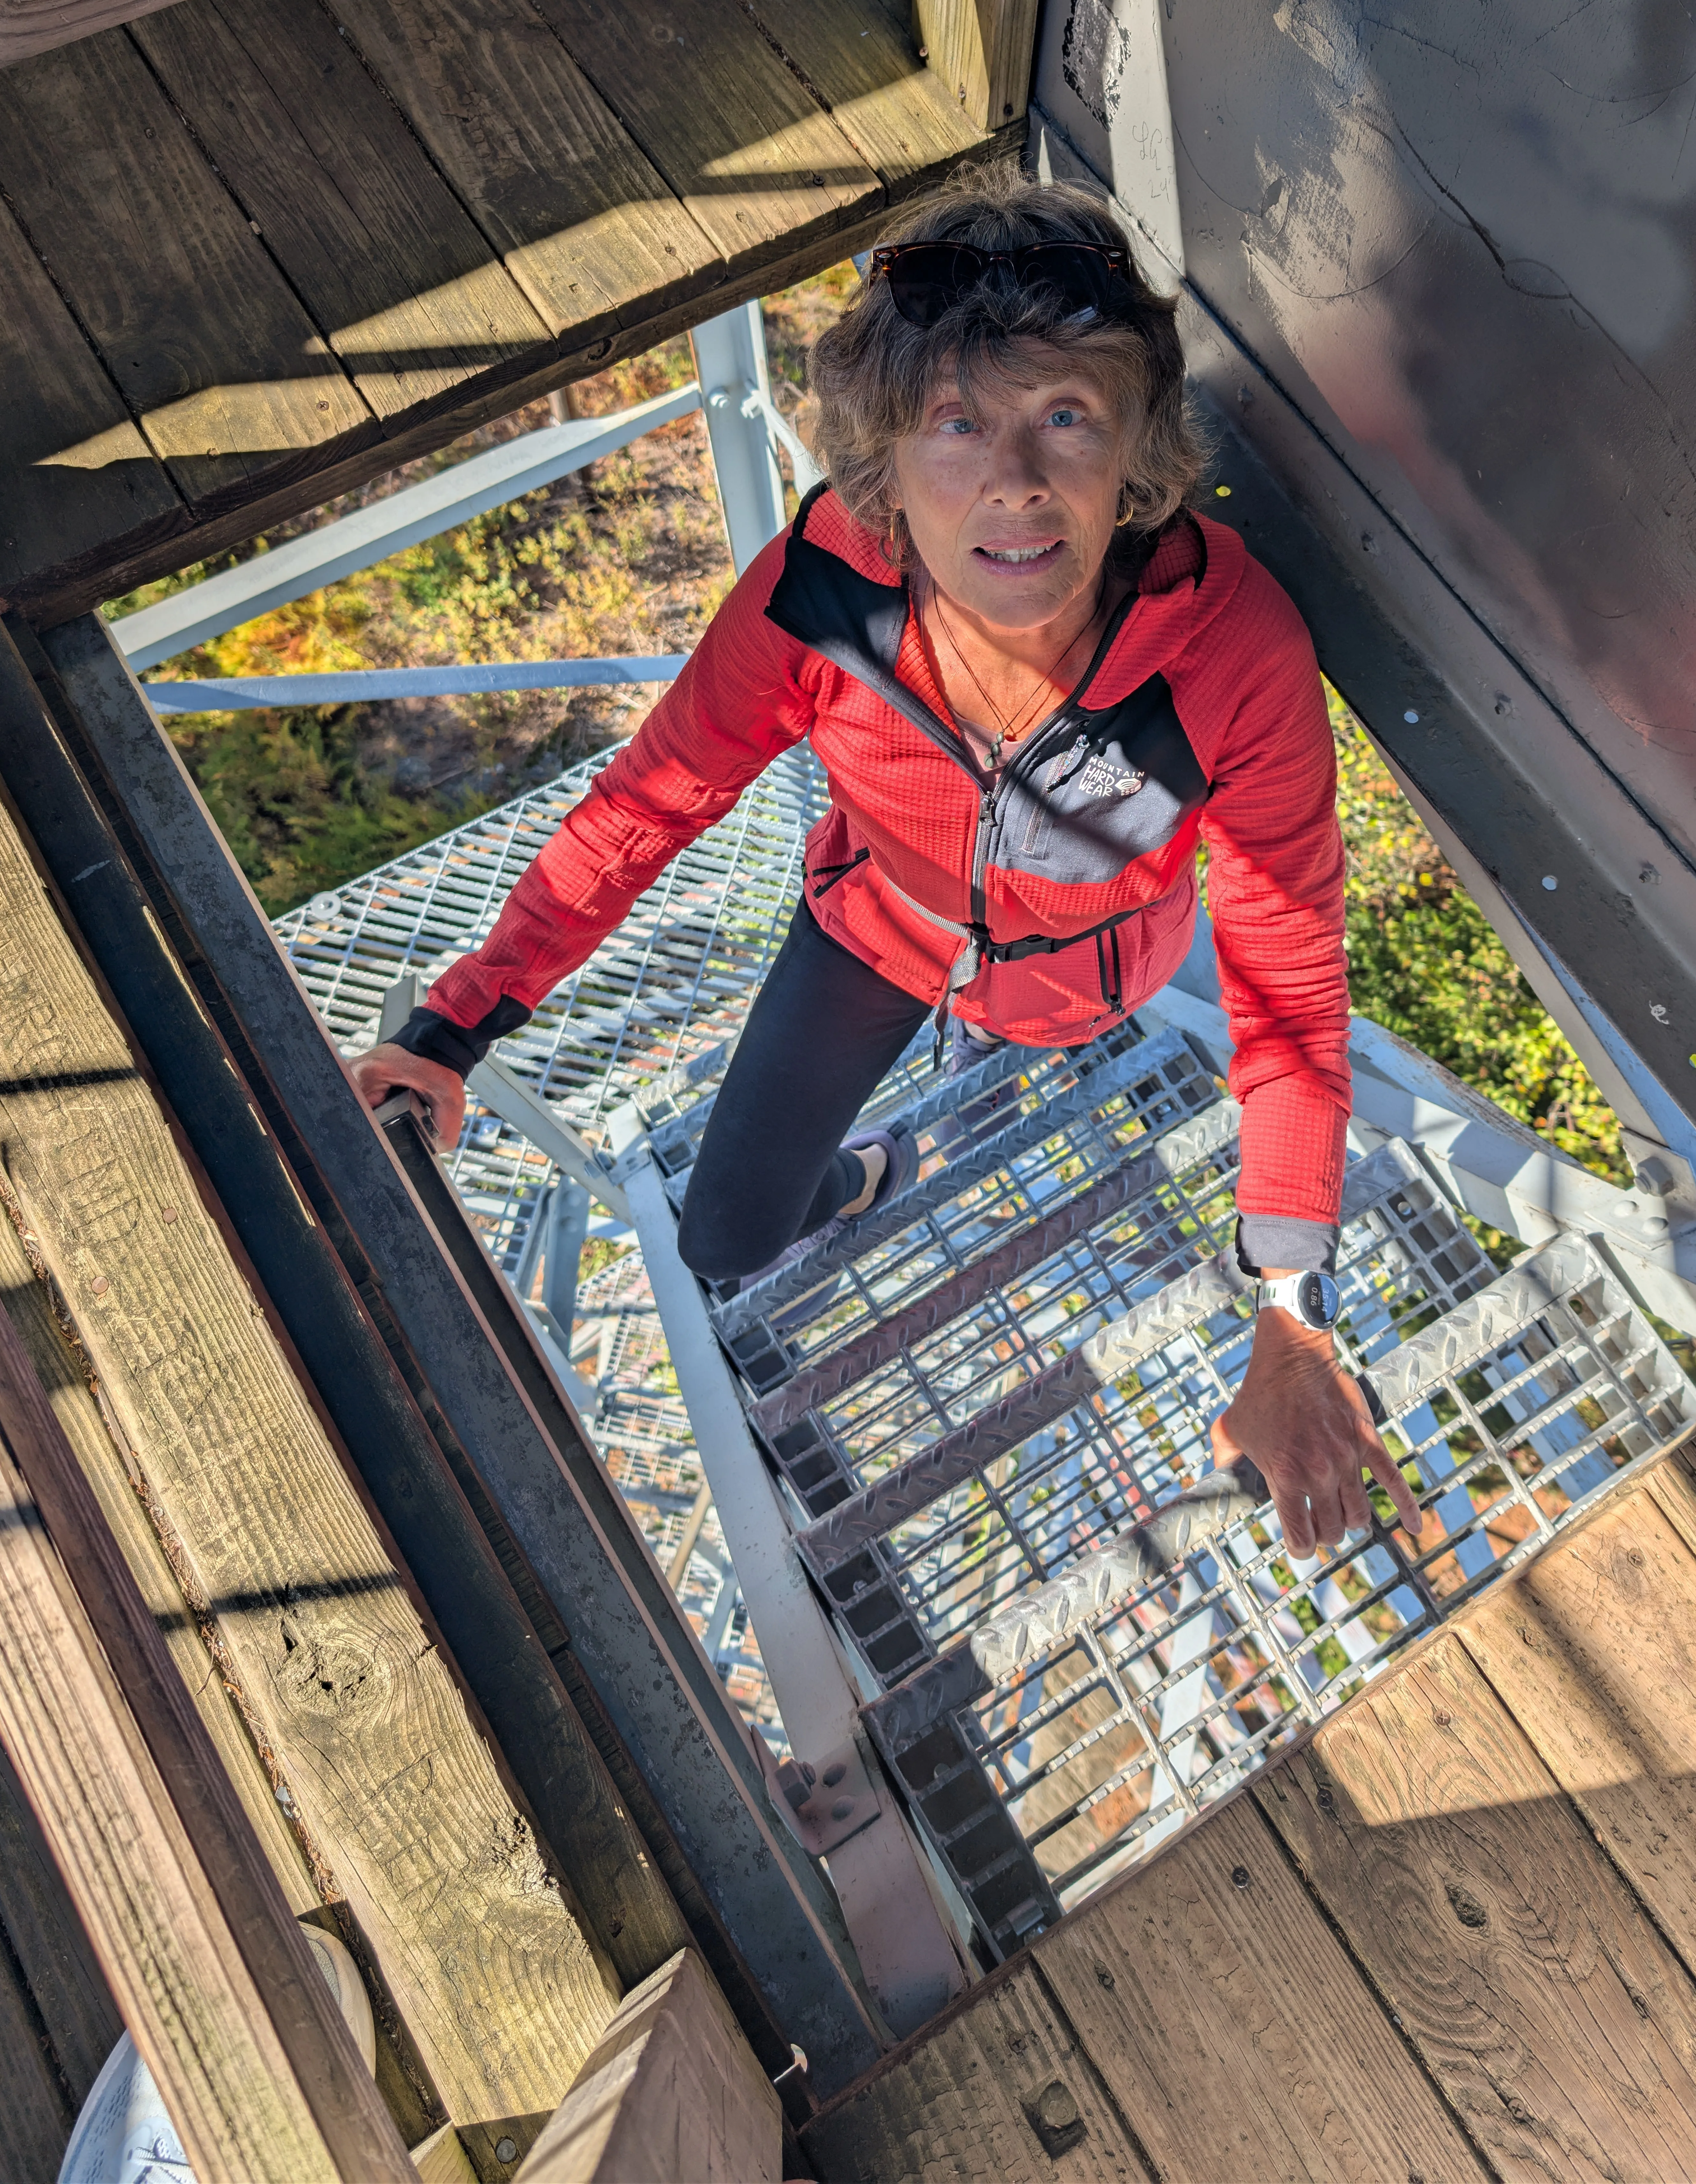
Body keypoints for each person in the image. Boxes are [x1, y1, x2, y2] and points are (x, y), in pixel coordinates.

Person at [348, 169, 1421, 1558]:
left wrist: (1288, 1307)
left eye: (1068, 416)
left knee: (1039, 1047)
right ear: (888, 465)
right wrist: (454, 1029)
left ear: (1134, 455)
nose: (1018, 483)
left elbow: (1284, 985)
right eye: (956, 424)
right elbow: (649, 803)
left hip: (1091, 975)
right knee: (727, 1238)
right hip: (881, 927)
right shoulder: (823, 592)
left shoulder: (1231, 652)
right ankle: (869, 1175)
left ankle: (951, 1098)